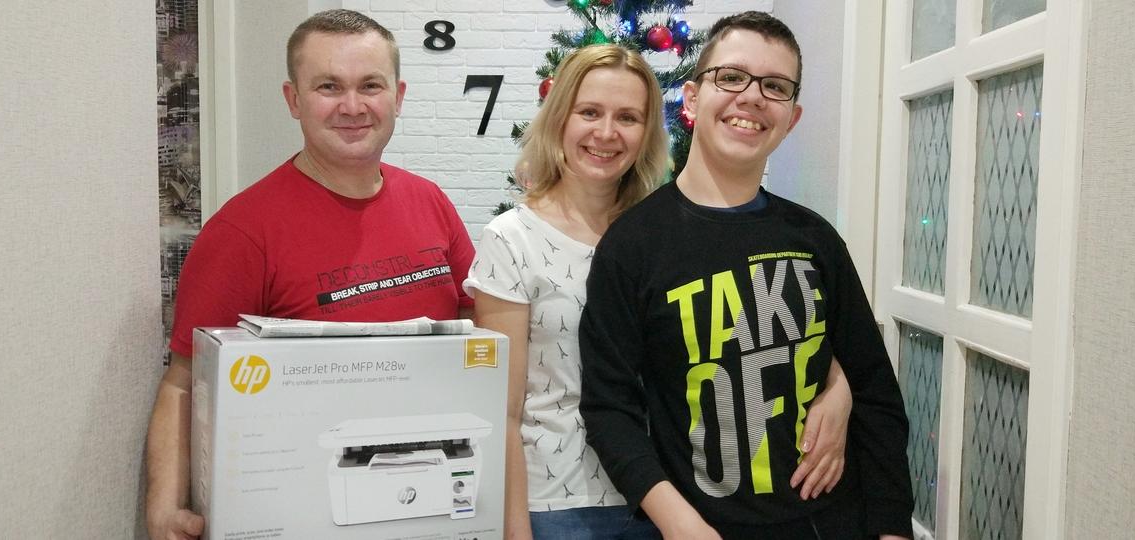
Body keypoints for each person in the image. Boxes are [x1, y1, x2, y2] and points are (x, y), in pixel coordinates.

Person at [466, 44, 853, 540]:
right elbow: (502, 410)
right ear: (559, 117)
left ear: (647, 132)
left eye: (628, 117)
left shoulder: (666, 231)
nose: (607, 133)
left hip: (672, 495)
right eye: (589, 112)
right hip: (564, 505)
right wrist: (515, 533)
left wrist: (838, 388)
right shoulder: (511, 240)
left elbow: (761, 329)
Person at [579, 11, 913, 540]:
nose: (753, 97)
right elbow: (608, 409)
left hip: (831, 524)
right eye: (732, 77)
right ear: (692, 100)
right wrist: (680, 524)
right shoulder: (632, 246)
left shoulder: (816, 239)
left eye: (774, 86)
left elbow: (875, 391)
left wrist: (893, 530)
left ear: (791, 118)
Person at [144, 10, 475, 540]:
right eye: (328, 86)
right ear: (293, 99)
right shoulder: (242, 230)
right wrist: (164, 509)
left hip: (431, 499)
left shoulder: (431, 203)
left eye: (370, 85)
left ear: (398, 96)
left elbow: (478, 336)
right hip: (304, 509)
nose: (353, 106)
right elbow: (185, 384)